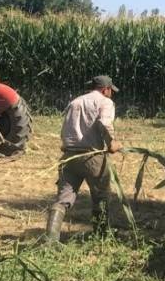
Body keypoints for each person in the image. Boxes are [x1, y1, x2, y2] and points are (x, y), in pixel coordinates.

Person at [45, 75, 123, 242]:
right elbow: (104, 123)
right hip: (91, 156)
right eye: (111, 91)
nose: (111, 94)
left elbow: (65, 128)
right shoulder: (105, 102)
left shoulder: (75, 102)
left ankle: (50, 240)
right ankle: (101, 236)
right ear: (105, 89)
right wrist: (112, 142)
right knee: (101, 196)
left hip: (69, 157)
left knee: (63, 198)